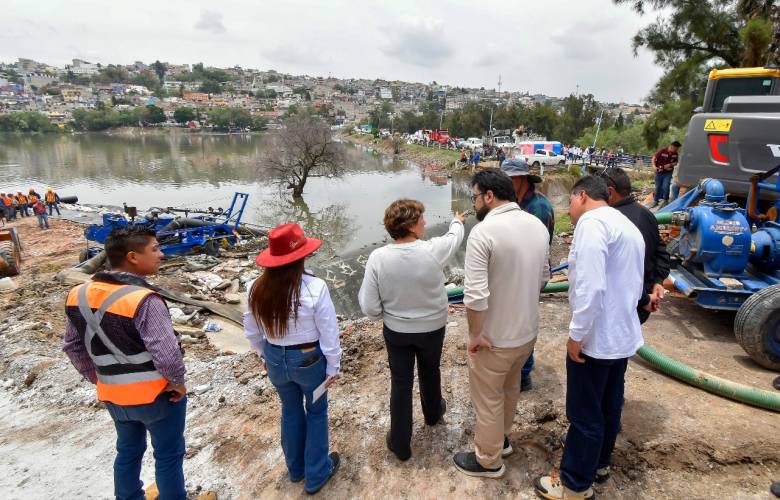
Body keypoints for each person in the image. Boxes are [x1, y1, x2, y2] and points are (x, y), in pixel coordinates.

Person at [534, 176, 645, 500]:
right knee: (609, 406)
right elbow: (634, 287)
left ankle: (574, 484)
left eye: (570, 202)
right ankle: (599, 464)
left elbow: (591, 286)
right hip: (620, 336)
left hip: (597, 339)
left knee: (584, 414)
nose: (569, 210)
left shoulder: (593, 224)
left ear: (582, 196)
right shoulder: (626, 225)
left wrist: (577, 334)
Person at [62, 226, 187, 500]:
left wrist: (99, 378)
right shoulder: (144, 300)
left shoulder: (77, 295)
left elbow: (72, 346)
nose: (161, 254)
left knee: (128, 451)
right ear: (132, 257)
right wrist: (177, 382)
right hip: (158, 396)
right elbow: (166, 354)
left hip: (114, 397)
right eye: (155, 249)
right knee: (168, 455)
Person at [453, 168, 550, 478]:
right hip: (526, 334)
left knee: (489, 399)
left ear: (489, 196)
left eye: (475, 197)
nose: (473, 204)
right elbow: (544, 278)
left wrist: (475, 334)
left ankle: (488, 460)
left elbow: (475, 296)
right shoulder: (536, 225)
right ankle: (502, 439)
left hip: (494, 338)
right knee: (509, 389)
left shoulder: (483, 233)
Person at [358, 199, 465, 461]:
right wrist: (457, 221)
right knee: (430, 370)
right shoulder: (432, 250)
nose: (425, 222)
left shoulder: (378, 258)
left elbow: (369, 307)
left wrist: (393, 315)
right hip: (432, 328)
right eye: (421, 219)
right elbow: (454, 237)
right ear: (411, 226)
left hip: (397, 332)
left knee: (401, 383)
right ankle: (432, 414)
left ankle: (400, 443)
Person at [243, 223, 342, 495]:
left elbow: (251, 332)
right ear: (302, 256)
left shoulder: (255, 288)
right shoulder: (315, 287)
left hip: (275, 356)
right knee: (317, 412)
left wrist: (264, 354)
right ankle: (317, 473)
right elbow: (329, 333)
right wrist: (333, 366)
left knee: (290, 410)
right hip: (309, 359)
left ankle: (296, 469)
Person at [501, 158, 555, 391]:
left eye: (509, 179)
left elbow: (538, 247)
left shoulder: (538, 208)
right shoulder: (514, 202)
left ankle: (523, 373)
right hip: (514, 270)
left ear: (522, 179)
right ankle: (513, 366)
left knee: (524, 320)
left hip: (531, 272)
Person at [601, 168, 670, 323]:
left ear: (610, 192)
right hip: (642, 302)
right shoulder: (648, 215)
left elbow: (625, 275)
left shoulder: (613, 221)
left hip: (623, 306)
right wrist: (658, 281)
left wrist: (644, 300)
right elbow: (662, 252)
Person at [649, 140, 681, 209]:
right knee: (658, 187)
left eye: (677, 149)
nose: (676, 150)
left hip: (668, 173)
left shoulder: (675, 154)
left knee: (666, 186)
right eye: (675, 149)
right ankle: (655, 200)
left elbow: (676, 162)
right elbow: (654, 158)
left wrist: (670, 165)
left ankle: (665, 200)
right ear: (671, 147)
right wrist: (654, 166)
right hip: (659, 172)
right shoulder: (662, 151)